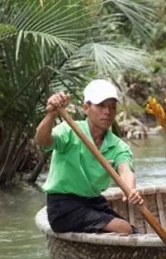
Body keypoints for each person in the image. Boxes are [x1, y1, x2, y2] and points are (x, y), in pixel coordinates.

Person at [35, 79, 143, 235]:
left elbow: (125, 170)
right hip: (63, 206)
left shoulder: (118, 145)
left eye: (112, 107)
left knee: (134, 232)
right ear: (86, 108)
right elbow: (41, 140)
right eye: (101, 106)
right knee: (123, 228)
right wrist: (51, 114)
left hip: (93, 203)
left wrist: (130, 190)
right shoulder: (69, 131)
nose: (107, 112)